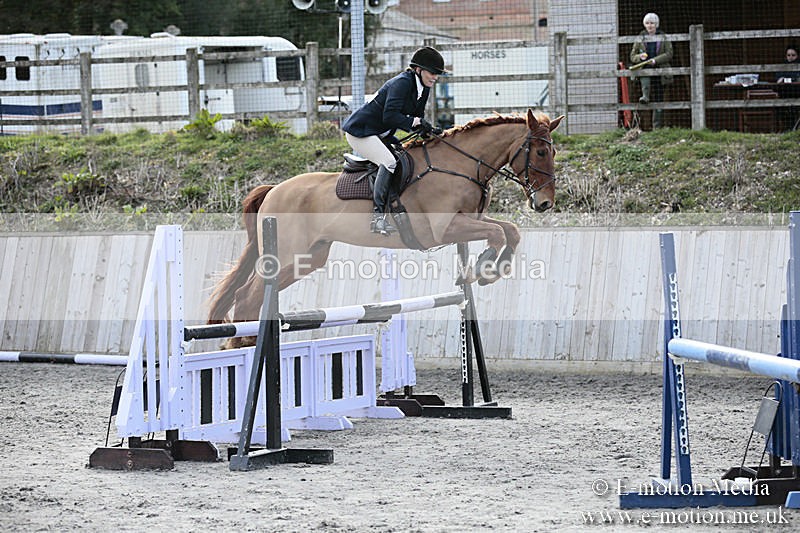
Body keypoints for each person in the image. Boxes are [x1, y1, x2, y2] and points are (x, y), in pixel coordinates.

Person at [342, 46, 444, 235]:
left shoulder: (423, 88)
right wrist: (415, 122)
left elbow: (415, 119)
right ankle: (377, 218)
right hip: (361, 132)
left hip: (381, 133)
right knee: (388, 162)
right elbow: (390, 116)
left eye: (437, 74)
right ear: (419, 70)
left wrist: (427, 131)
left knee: (405, 156)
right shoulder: (402, 83)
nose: (435, 77)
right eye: (432, 73)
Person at [629, 12, 673, 128]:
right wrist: (640, 57)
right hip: (645, 68)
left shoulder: (663, 37)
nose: (650, 26)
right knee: (646, 83)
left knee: (659, 99)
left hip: (660, 71)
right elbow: (632, 56)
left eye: (652, 23)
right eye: (647, 23)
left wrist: (655, 60)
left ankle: (657, 127)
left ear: (656, 24)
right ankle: (645, 96)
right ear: (644, 24)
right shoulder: (640, 37)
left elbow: (669, 54)